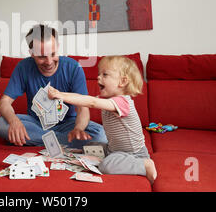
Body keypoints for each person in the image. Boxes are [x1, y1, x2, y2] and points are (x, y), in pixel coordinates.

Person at [48, 55, 157, 184]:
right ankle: (80, 153)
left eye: (105, 75)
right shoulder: (107, 100)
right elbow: (83, 98)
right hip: (114, 149)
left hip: (133, 154)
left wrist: (61, 96)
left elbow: (91, 102)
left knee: (106, 166)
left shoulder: (122, 102)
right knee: (90, 146)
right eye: (99, 74)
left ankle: (145, 165)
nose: (98, 77)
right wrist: (59, 94)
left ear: (122, 82)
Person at [0, 24, 107, 148]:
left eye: (53, 54)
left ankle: (43, 140)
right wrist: (14, 122)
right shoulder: (23, 67)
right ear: (31, 53)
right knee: (2, 124)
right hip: (36, 124)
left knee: (101, 135)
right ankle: (62, 142)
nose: (49, 62)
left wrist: (78, 129)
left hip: (69, 124)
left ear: (57, 47)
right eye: (42, 56)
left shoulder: (73, 67)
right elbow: (4, 102)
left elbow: (83, 108)